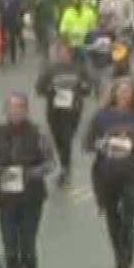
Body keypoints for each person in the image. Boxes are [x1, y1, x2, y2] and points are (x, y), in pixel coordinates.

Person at [82, 79, 134, 268]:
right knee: (113, 220)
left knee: (128, 219)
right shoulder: (101, 116)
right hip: (106, 175)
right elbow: (87, 143)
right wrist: (101, 144)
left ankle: (127, 263)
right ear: (114, 94)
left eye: (129, 92)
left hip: (131, 174)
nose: (125, 96)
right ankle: (119, 261)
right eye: (121, 92)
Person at [0, 92, 55, 268]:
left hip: (31, 197)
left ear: (26, 110)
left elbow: (50, 163)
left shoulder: (38, 133)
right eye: (11, 108)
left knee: (27, 246)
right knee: (10, 249)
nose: (15, 112)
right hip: (6, 198)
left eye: (19, 108)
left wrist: (30, 173)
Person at [34, 42, 92, 180]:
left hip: (73, 108)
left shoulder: (78, 68)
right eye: (60, 52)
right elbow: (39, 88)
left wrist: (83, 87)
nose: (62, 55)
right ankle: (64, 161)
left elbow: (88, 87)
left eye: (65, 52)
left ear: (70, 53)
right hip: (55, 108)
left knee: (67, 137)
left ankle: (66, 166)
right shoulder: (50, 69)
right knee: (58, 137)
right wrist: (49, 90)